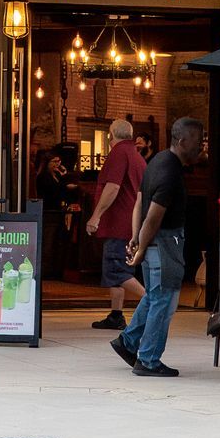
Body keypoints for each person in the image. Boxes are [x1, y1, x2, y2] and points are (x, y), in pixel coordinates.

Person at [111, 116, 204, 378]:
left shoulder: (157, 161)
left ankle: (128, 342)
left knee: (153, 296)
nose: (202, 146)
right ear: (182, 140)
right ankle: (149, 360)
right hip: (165, 242)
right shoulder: (170, 171)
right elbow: (154, 213)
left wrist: (136, 237)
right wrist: (139, 249)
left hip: (152, 240)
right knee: (165, 301)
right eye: (198, 140)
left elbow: (139, 201)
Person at [85, 120, 146, 330]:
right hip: (132, 224)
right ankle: (116, 315)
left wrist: (96, 216)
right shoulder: (136, 156)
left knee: (117, 270)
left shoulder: (118, 154)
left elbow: (112, 188)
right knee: (115, 272)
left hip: (119, 223)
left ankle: (152, 302)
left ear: (111, 135)